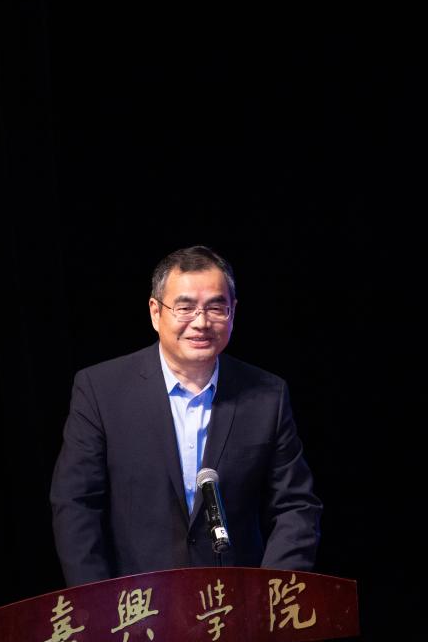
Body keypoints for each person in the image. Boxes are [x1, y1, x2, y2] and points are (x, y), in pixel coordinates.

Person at [50, 246, 322, 587]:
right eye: (185, 307)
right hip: (137, 604)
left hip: (236, 601)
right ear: (155, 312)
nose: (201, 322)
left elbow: (295, 506)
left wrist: (270, 593)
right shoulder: (101, 390)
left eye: (216, 307)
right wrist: (97, 603)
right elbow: (76, 505)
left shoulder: (267, 395)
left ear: (233, 312)